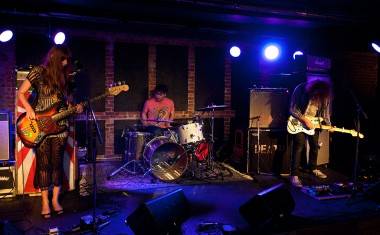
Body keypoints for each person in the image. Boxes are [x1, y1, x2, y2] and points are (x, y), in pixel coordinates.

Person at [17, 45, 83, 218]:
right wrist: (29, 110)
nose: (66, 62)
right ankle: (45, 202)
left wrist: (75, 108)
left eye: (67, 59)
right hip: (40, 125)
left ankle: (55, 200)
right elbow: (21, 93)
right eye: (63, 58)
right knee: (44, 164)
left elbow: (67, 102)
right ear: (55, 57)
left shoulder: (65, 77)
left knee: (57, 163)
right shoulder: (39, 71)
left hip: (61, 126)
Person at [289, 77, 332, 187]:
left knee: (314, 146)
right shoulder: (300, 89)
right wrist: (304, 120)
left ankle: (313, 168)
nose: (317, 97)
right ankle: (294, 175)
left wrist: (329, 125)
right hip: (299, 120)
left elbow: (326, 113)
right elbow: (293, 108)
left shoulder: (325, 96)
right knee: (299, 146)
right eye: (315, 94)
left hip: (314, 122)